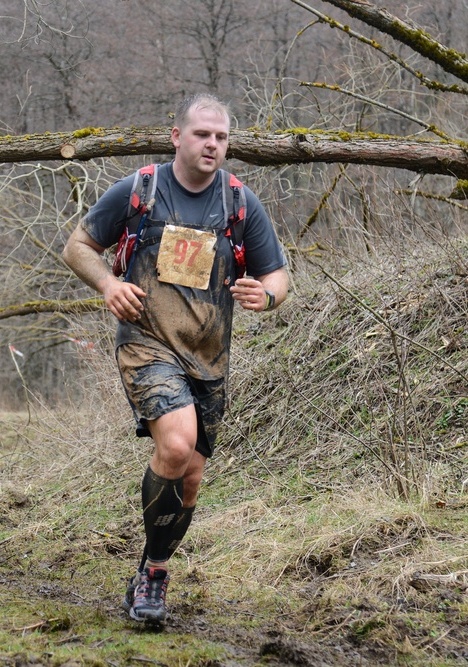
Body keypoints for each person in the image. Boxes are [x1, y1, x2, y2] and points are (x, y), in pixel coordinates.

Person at [62, 93, 289, 624]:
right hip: (147, 343)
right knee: (178, 443)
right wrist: (108, 284)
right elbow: (77, 246)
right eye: (202, 134)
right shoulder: (139, 190)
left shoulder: (238, 202)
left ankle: (149, 569)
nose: (212, 144)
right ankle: (156, 576)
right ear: (177, 136)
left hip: (209, 357)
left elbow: (279, 275)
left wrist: (269, 296)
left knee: (189, 478)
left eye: (221, 137)